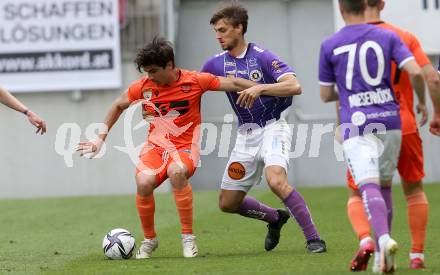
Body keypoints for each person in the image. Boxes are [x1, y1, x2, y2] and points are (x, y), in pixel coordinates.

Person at [76, 37, 257, 259]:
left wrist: (269, 88)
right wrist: (99, 139)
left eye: (153, 71)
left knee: (177, 172)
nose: (149, 76)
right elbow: (117, 105)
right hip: (156, 148)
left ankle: (188, 238)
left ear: (169, 65)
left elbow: (236, 84)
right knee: (143, 182)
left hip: (185, 147)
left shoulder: (196, 81)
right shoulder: (144, 87)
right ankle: (150, 240)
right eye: (146, 72)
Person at [201, 3, 326, 253]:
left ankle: (314, 239)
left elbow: (294, 86)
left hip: (273, 129)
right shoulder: (214, 64)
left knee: (276, 181)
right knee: (227, 203)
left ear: (239, 28)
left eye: (223, 30)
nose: (218, 35)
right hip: (245, 137)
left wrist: (260, 87)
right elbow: (193, 85)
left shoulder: (262, 56)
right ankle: (274, 218)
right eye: (216, 31)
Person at [319, 0, 423, 273]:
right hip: (391, 119)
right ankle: (381, 257)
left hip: (358, 122)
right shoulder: (388, 36)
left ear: (341, 9)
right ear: (364, 6)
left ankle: (383, 240)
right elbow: (415, 71)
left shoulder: (331, 44)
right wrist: (422, 102)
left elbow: (326, 94)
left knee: (367, 186)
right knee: (385, 186)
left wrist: (346, 89)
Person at [344, 0, 440, 271]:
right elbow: (431, 77)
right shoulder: (403, 36)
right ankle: (417, 256)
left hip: (363, 125)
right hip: (403, 124)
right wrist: (434, 113)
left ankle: (367, 241)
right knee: (413, 191)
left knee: (357, 192)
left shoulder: (346, 41)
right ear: (382, 4)